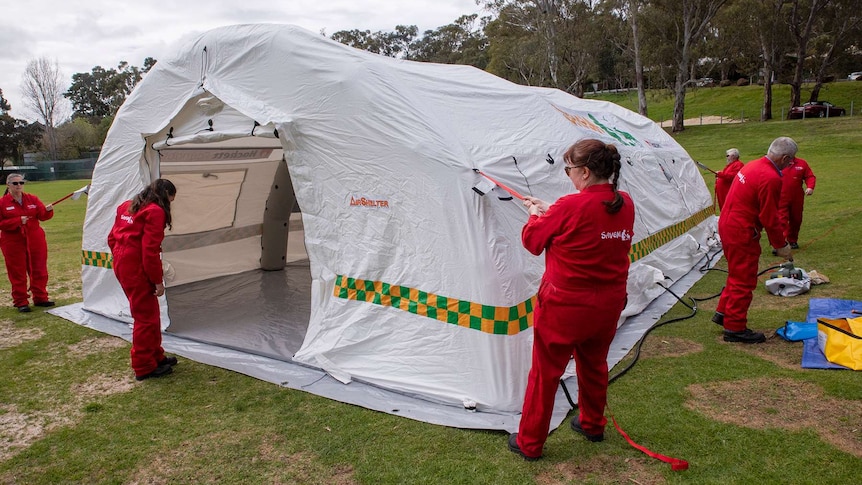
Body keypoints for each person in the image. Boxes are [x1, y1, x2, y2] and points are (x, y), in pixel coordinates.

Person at [507, 139, 635, 461]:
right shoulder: (625, 204)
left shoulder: (570, 206)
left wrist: (536, 215)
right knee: (593, 365)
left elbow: (533, 242)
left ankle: (530, 442)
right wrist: (550, 209)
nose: (568, 176)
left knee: (545, 372)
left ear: (586, 172)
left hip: (565, 307)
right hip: (607, 305)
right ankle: (592, 423)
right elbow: (587, 221)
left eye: (569, 170)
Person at [712, 137, 795, 344]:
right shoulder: (771, 177)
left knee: (736, 272)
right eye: (790, 161)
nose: (790, 165)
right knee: (744, 278)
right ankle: (735, 327)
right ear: (785, 158)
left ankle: (724, 313)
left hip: (728, 223)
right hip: (741, 230)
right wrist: (781, 246)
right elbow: (770, 217)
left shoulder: (753, 165)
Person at [108, 179, 179, 381]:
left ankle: (155, 355)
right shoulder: (155, 212)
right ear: (165, 196)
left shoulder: (127, 206)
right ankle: (144, 365)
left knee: (150, 313)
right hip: (136, 266)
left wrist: (120, 257)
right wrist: (157, 281)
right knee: (145, 317)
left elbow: (112, 237)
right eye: (171, 201)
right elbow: (149, 251)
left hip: (124, 262)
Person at [0, 173, 55, 312]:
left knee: (39, 269)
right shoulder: (3, 203)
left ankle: (40, 297)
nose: (19, 186)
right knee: (17, 272)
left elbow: (42, 215)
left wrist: (48, 211)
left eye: (21, 183)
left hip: (35, 239)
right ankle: (21, 301)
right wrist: (17, 221)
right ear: (8, 185)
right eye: (15, 183)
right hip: (13, 241)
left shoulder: (32, 199)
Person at [778, 157, 815, 249]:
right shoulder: (778, 163)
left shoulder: (801, 163)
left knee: (796, 219)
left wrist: (810, 187)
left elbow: (809, 176)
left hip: (797, 197)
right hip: (780, 196)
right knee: (781, 219)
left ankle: (792, 240)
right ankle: (780, 243)